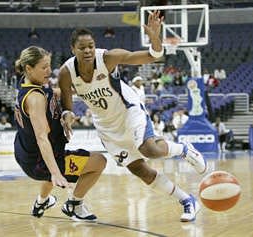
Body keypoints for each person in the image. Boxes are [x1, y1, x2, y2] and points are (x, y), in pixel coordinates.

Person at [58, 11, 206, 222]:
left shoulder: (108, 58)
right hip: (107, 126)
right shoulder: (66, 72)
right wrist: (67, 114)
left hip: (129, 111)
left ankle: (184, 150)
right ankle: (187, 200)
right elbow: (67, 101)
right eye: (82, 47)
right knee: (140, 171)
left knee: (150, 149)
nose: (88, 50)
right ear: (73, 49)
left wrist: (155, 38)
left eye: (90, 45)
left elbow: (152, 56)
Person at [13, 46, 106, 222]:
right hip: (40, 161)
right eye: (44, 67)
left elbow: (56, 94)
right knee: (100, 161)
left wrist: (65, 113)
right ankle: (74, 205)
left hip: (26, 153)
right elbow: (42, 138)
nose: (49, 71)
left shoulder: (29, 85)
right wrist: (55, 172)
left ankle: (41, 202)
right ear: (28, 68)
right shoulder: (35, 98)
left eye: (49, 65)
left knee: (52, 172)